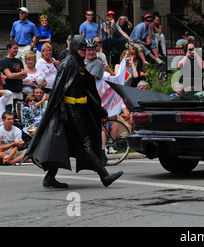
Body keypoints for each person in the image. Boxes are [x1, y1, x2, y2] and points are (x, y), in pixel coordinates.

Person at [25, 35, 123, 188]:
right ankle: (104, 175)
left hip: (81, 110)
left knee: (66, 143)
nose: (84, 52)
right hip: (71, 111)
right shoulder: (67, 64)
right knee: (86, 142)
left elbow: (85, 89)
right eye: (82, 49)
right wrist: (63, 110)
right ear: (75, 49)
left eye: (85, 50)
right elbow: (59, 91)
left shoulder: (79, 64)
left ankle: (50, 176)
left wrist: (98, 109)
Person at [0, 41, 27, 113]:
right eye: (14, 48)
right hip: (9, 92)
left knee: (20, 114)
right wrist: (20, 73)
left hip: (19, 91)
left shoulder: (19, 61)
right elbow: (10, 76)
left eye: (17, 48)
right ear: (9, 49)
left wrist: (11, 76)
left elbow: (24, 75)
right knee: (9, 114)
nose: (16, 50)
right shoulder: (4, 61)